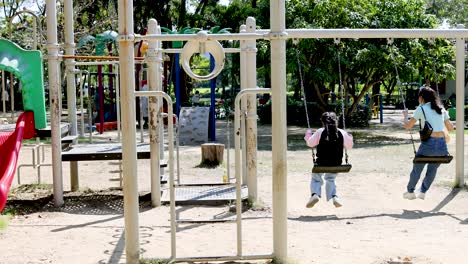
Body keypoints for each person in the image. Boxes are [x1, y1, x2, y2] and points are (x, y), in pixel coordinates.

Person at [402, 86, 454, 200]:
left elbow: (408, 126)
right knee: (433, 168)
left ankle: (410, 191)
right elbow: (450, 128)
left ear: (421, 98)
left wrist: (405, 116)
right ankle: (423, 191)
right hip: (442, 147)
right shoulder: (441, 109)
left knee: (417, 168)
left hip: (428, 144)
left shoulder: (421, 109)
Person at [303, 112, 354, 208]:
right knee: (331, 178)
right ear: (336, 121)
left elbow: (310, 143)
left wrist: (308, 134)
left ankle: (315, 194)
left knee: (316, 178)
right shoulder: (342, 132)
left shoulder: (320, 131)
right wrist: (350, 137)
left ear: (322, 121)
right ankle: (334, 197)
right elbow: (349, 146)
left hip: (321, 163)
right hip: (336, 163)